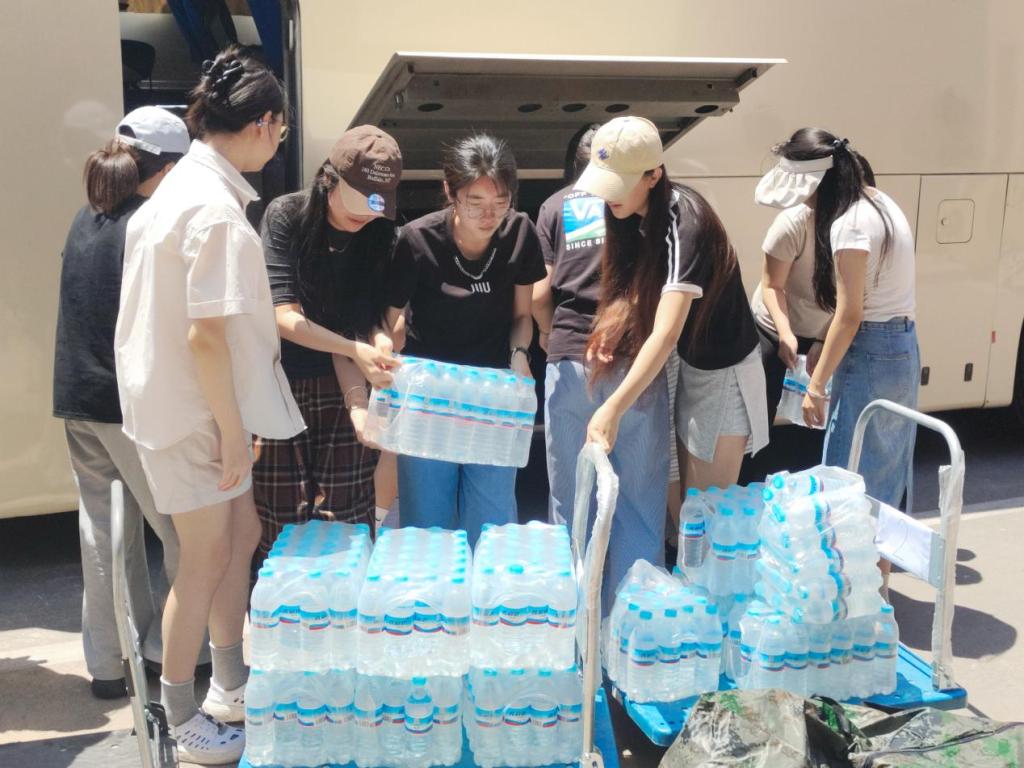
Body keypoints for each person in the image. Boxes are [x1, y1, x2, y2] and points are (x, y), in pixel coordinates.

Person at [114, 47, 304, 764]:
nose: (279, 142)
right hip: (192, 411)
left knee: (240, 533)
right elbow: (206, 335)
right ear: (263, 124)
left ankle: (230, 681)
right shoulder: (215, 210)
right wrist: (230, 430)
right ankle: (179, 712)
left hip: (178, 401)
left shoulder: (180, 188)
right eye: (281, 131)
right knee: (203, 558)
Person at [572, 116, 767, 605]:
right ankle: (691, 615)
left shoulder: (688, 221)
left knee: (709, 518)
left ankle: (717, 625)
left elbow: (666, 330)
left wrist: (612, 408)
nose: (607, 197)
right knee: (679, 508)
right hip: (682, 362)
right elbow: (637, 292)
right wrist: (613, 327)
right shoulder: (629, 215)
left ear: (654, 175)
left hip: (721, 369)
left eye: (618, 184)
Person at [52, 107, 188, 700]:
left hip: (77, 399)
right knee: (186, 534)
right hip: (128, 404)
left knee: (105, 536)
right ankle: (175, 652)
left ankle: (111, 664)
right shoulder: (149, 224)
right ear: (167, 168)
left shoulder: (86, 217)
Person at [532, 123, 683, 562]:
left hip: (569, 363)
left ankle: (576, 604)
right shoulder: (645, 204)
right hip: (635, 365)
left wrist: (548, 332)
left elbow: (539, 294)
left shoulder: (555, 206)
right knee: (638, 503)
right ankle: (633, 601)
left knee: (571, 503)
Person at [255, 125, 403, 561]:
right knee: (280, 519)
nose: (366, 216)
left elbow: (365, 318)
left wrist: (379, 344)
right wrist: (356, 349)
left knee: (347, 515)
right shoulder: (287, 216)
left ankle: (344, 598)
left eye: (377, 204)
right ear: (328, 179)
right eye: (358, 200)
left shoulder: (379, 233)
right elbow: (283, 316)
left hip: (342, 383)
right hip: (280, 383)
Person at [390, 133, 546, 545]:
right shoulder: (417, 239)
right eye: (475, 202)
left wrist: (519, 353)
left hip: (492, 394)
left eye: (500, 201)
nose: (489, 214)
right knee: (428, 524)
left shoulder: (520, 232)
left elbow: (522, 315)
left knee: (492, 521)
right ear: (450, 192)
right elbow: (389, 322)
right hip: (429, 395)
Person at [762, 129, 919, 511]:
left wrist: (815, 387)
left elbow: (849, 316)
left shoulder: (849, 223)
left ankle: (852, 552)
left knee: (846, 479)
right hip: (903, 343)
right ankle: (880, 551)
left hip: (870, 348)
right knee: (886, 471)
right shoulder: (881, 202)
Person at [752, 146, 877, 427]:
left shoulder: (863, 228)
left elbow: (855, 299)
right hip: (776, 327)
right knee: (759, 418)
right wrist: (785, 334)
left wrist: (822, 341)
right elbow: (772, 285)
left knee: (822, 416)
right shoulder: (793, 222)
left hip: (825, 329)